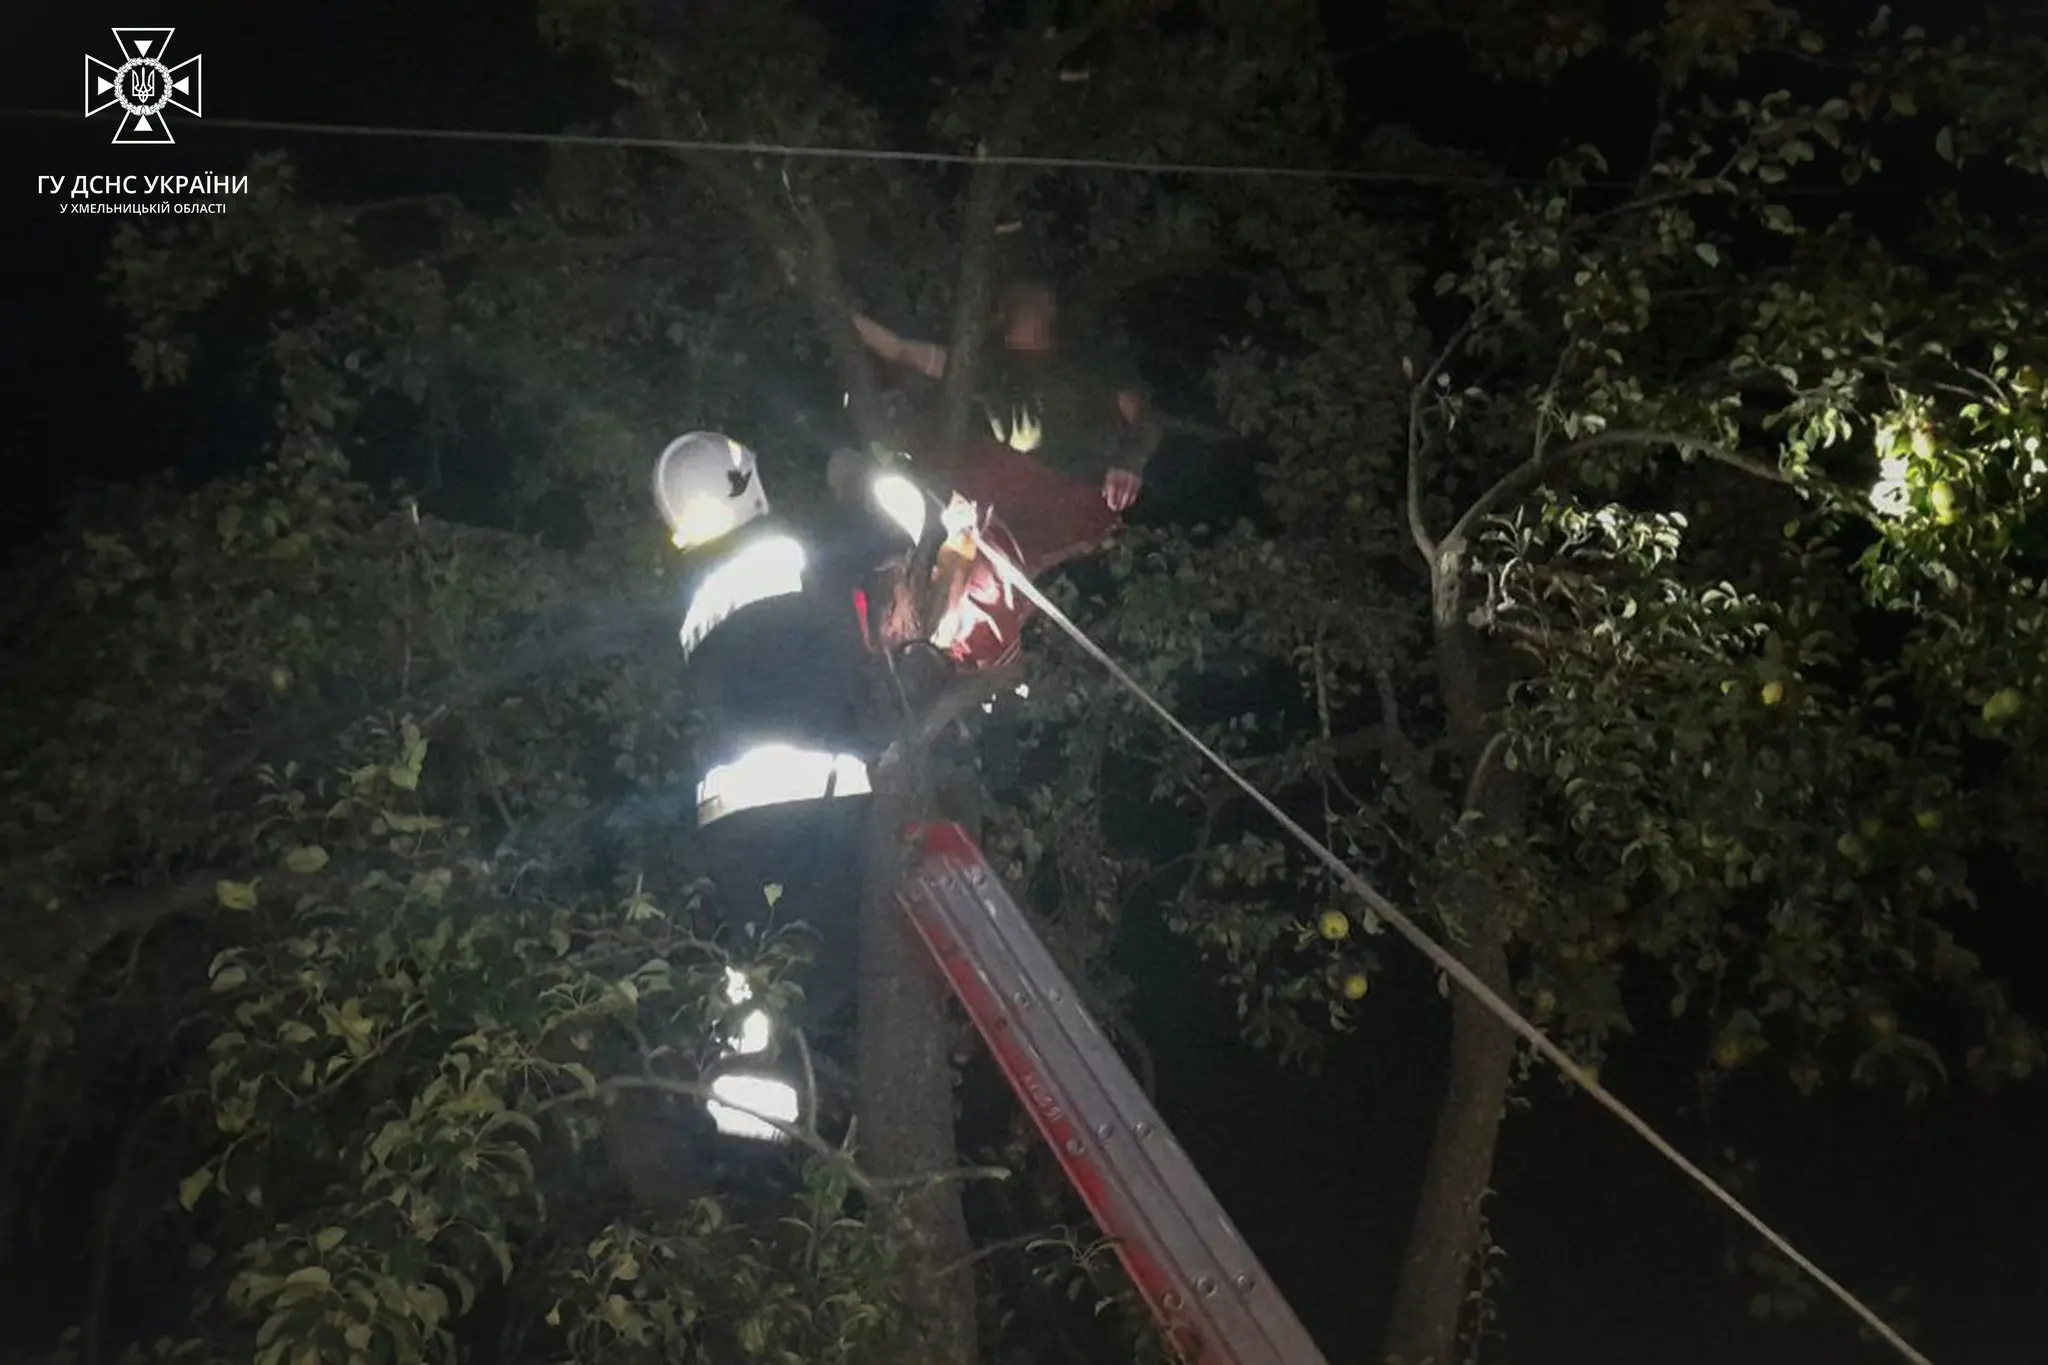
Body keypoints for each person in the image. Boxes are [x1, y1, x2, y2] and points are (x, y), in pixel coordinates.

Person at [653, 432, 896, 1134]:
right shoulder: (785, 547)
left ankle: (751, 1090)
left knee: (761, 955)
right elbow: (891, 531)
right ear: (742, 484)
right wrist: (855, 474)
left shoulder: (694, 597)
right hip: (812, 796)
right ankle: (788, 1078)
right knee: (844, 950)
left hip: (729, 816)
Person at [850, 277, 1162, 669]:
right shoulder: (994, 367)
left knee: (992, 555)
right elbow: (902, 351)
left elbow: (1146, 420)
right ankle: (918, 639)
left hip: (1072, 494)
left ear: (1047, 304)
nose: (1009, 313)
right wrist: (832, 306)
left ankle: (963, 652)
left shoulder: (1091, 359)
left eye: (1022, 301)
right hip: (1005, 492)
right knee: (968, 544)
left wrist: (1129, 461)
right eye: (1007, 305)